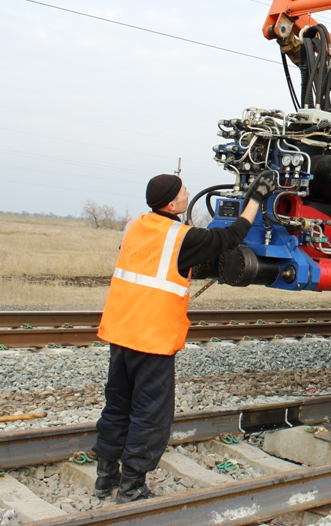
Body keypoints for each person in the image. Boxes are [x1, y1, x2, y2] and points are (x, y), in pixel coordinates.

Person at [91, 172, 274, 503]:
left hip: (120, 332)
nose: (189, 192)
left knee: (117, 406)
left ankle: (105, 478)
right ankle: (132, 486)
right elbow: (230, 236)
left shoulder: (134, 225)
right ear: (173, 203)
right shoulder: (182, 238)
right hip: (152, 339)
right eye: (184, 191)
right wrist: (256, 199)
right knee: (151, 414)